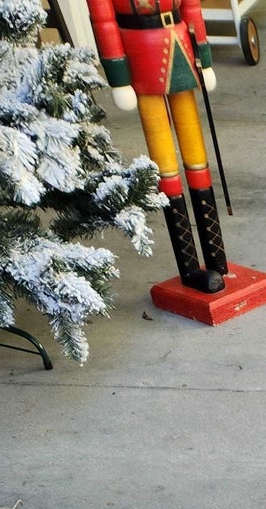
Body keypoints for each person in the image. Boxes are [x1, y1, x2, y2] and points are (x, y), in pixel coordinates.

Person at [88, 0, 227, 292]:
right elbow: (104, 22)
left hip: (180, 48)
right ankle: (189, 267)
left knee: (197, 157)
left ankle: (216, 256)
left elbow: (191, 6)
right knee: (166, 165)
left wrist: (204, 55)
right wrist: (118, 77)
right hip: (141, 51)